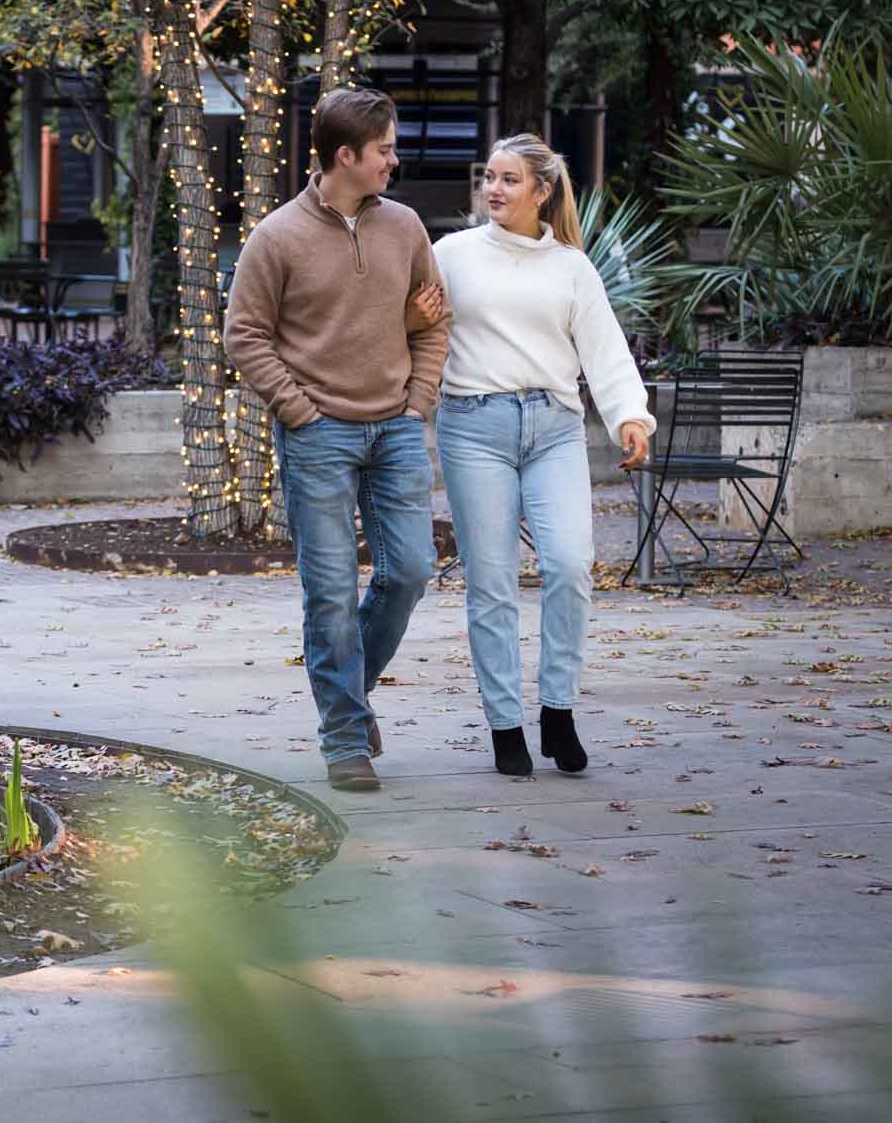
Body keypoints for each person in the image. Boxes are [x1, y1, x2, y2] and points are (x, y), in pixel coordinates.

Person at [226, 88, 450, 792]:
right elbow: (244, 335)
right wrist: (298, 411)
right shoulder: (278, 237)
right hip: (318, 435)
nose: (394, 159)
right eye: (384, 149)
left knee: (410, 570)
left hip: (396, 430)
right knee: (327, 592)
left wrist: (417, 404)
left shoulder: (406, 226)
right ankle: (345, 734)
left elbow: (436, 318)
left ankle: (352, 693)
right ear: (345, 156)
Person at [409, 133, 653, 777]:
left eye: (510, 179)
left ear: (542, 192)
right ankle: (504, 726)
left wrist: (631, 415)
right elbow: (413, 323)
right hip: (473, 427)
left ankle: (559, 711)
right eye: (489, 177)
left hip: (553, 427)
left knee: (571, 565)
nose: (494, 189)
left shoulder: (572, 266)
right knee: (490, 583)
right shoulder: (451, 254)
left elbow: (604, 349)